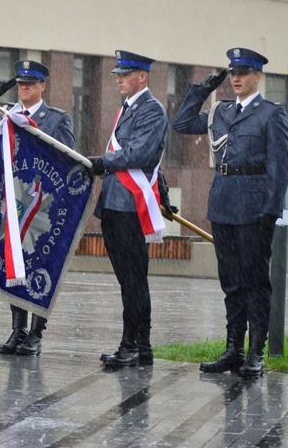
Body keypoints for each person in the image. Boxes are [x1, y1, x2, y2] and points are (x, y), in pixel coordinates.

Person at [172, 48, 288, 378]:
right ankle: (233, 349)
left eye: (243, 73)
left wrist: (270, 210)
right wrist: (203, 90)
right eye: (232, 73)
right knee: (231, 282)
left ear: (258, 77)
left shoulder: (271, 114)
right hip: (223, 203)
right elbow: (181, 123)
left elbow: (280, 166)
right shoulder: (220, 111)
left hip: (255, 208)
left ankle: (256, 352)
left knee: (255, 281)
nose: (236, 78)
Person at [0, 59, 75, 356]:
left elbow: (67, 159)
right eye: (20, 84)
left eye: (30, 84)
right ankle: (17, 330)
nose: (24, 88)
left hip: (43, 205)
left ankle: (36, 333)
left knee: (40, 265)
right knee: (15, 261)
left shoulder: (57, 119)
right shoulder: (6, 115)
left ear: (42, 87)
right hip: (13, 201)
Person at [87, 50, 168, 369]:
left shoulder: (152, 110)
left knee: (134, 278)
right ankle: (141, 345)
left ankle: (132, 344)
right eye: (117, 75)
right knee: (128, 279)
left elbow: (138, 153)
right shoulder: (128, 108)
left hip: (129, 206)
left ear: (142, 77)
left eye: (124, 74)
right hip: (114, 203)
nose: (118, 79)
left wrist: (100, 162)